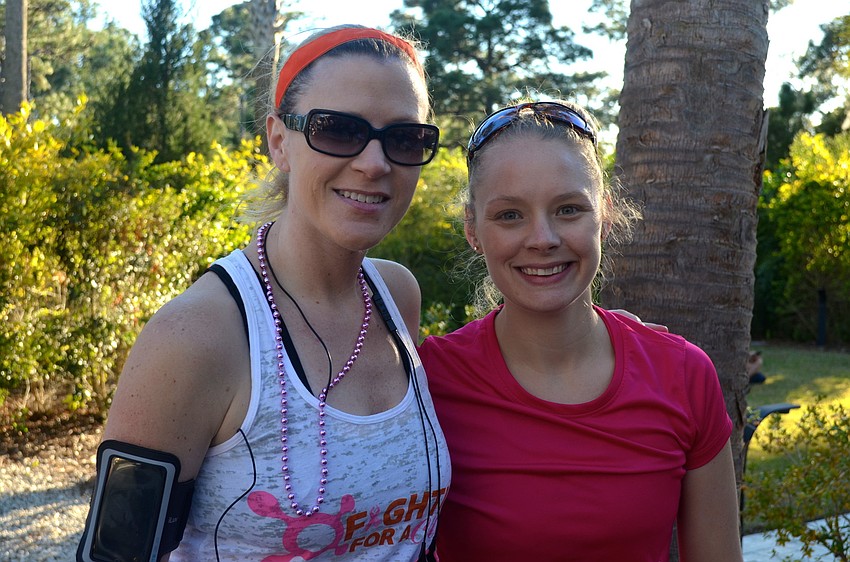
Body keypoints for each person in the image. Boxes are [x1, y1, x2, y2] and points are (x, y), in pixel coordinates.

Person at [76, 26, 449, 562]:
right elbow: (116, 553)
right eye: (337, 130)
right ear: (279, 140)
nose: (375, 162)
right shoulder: (197, 335)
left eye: (405, 138)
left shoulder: (395, 297)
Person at [418, 100, 744, 561]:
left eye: (569, 209)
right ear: (473, 229)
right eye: (510, 215)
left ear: (604, 216)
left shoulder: (683, 375)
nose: (543, 238)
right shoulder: (425, 383)